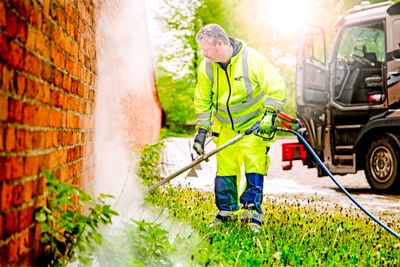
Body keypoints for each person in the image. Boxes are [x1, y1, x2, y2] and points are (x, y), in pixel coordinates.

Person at [193, 24, 286, 232]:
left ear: (220, 43)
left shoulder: (251, 59)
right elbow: (202, 101)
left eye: (206, 49)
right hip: (225, 127)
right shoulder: (207, 67)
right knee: (225, 169)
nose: (204, 53)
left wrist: (270, 114)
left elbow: (276, 86)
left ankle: (251, 213)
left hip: (254, 125)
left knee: (254, 165)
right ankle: (226, 213)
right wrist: (201, 131)